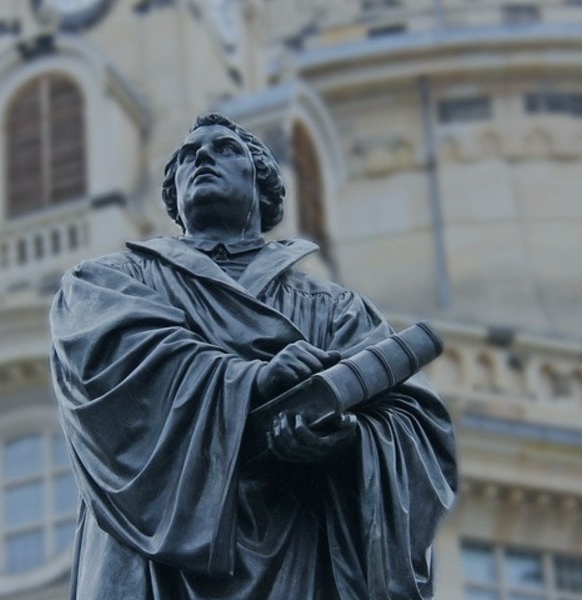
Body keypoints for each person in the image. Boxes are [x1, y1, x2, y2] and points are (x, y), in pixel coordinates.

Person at [50, 113, 457, 599]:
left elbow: (417, 424)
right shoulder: (105, 282)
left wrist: (347, 440)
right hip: (151, 565)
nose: (201, 157)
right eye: (186, 156)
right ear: (174, 196)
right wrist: (251, 381)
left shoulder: (334, 307)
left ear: (262, 186)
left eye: (225, 149)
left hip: (298, 551)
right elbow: (115, 365)